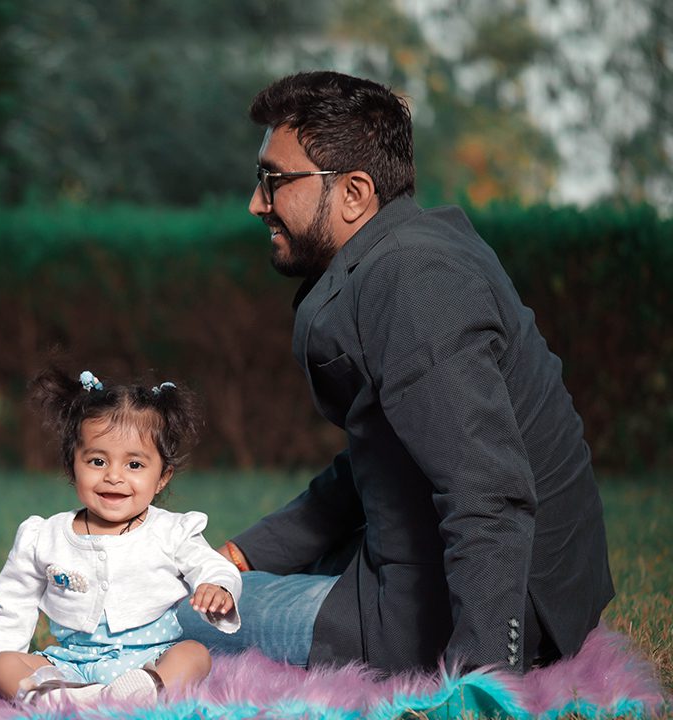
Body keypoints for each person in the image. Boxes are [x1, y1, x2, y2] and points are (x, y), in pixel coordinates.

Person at [177, 70, 613, 674]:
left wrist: (485, 680)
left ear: (354, 192)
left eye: (274, 180)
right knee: (211, 587)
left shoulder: (415, 282)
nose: (257, 202)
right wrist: (246, 554)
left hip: (479, 603)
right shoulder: (406, 249)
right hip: (425, 562)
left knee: (172, 615)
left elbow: (487, 493)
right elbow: (382, 458)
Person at [0, 368, 242, 708]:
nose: (113, 476)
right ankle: (55, 696)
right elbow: (14, 604)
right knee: (1, 665)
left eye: (134, 465)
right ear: (73, 466)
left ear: (162, 477)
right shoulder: (43, 536)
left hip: (149, 660)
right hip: (69, 662)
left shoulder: (171, 532)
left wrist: (217, 586)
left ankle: (148, 689)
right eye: (98, 461)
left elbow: (211, 566)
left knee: (194, 655)